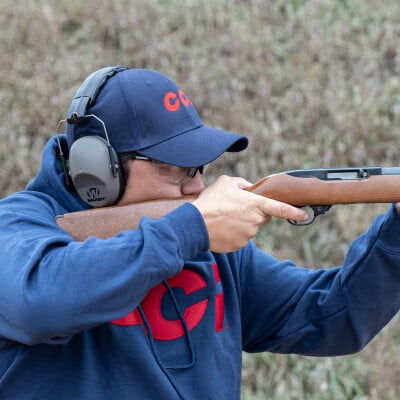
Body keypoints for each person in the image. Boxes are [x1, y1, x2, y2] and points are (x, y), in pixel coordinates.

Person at [0, 67, 399, 400]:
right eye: (177, 169)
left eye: (200, 168)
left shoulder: (205, 241)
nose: (195, 188)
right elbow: (37, 302)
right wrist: (190, 228)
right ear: (98, 171)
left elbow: (332, 316)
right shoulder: (19, 226)